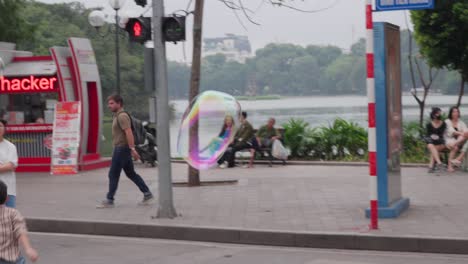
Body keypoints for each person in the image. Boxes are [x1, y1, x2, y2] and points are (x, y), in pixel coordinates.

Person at [97, 94, 154, 209]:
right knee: (131, 173)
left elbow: (129, 132)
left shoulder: (122, 116)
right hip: (122, 149)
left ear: (119, 103)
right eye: (109, 103)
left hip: (121, 149)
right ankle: (147, 194)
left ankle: (109, 200)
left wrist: (133, 149)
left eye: (112, 103)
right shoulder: (117, 116)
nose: (109, 106)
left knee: (113, 174)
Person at [0, 180, 39, 263]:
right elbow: (21, 231)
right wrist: (28, 249)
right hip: (13, 259)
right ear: (7, 198)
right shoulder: (13, 213)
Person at [0, 119, 18, 208]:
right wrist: (3, 166)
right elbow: (6, 166)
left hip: (8, 189)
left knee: (9, 218)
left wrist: (5, 166)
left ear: (4, 129)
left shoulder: (10, 146)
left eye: (0, 126)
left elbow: (10, 166)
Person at [423, 107, 447, 173]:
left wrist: (437, 137)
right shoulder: (429, 125)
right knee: (431, 145)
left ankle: (431, 166)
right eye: (437, 113)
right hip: (432, 142)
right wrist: (432, 137)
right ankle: (439, 163)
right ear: (433, 114)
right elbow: (428, 135)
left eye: (439, 113)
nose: (438, 115)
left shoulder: (443, 123)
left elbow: (442, 135)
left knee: (432, 148)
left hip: (440, 143)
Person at [444, 106, 468, 172]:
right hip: (449, 140)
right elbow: (451, 132)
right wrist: (462, 133)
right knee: (455, 147)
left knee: (463, 136)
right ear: (451, 113)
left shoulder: (461, 122)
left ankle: (457, 160)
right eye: (454, 112)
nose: (456, 113)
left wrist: (464, 133)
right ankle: (450, 166)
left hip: (457, 142)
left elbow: (466, 131)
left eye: (457, 111)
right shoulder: (447, 122)